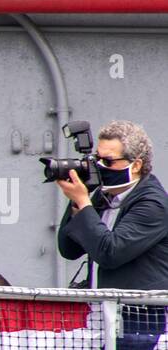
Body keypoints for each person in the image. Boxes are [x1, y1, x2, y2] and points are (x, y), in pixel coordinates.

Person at [57, 119, 168, 289]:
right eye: (97, 159)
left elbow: (110, 253)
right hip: (101, 309)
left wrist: (83, 202)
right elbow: (69, 249)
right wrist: (77, 200)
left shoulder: (153, 204)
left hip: (140, 312)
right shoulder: (104, 196)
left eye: (108, 162)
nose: (100, 167)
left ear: (136, 165)